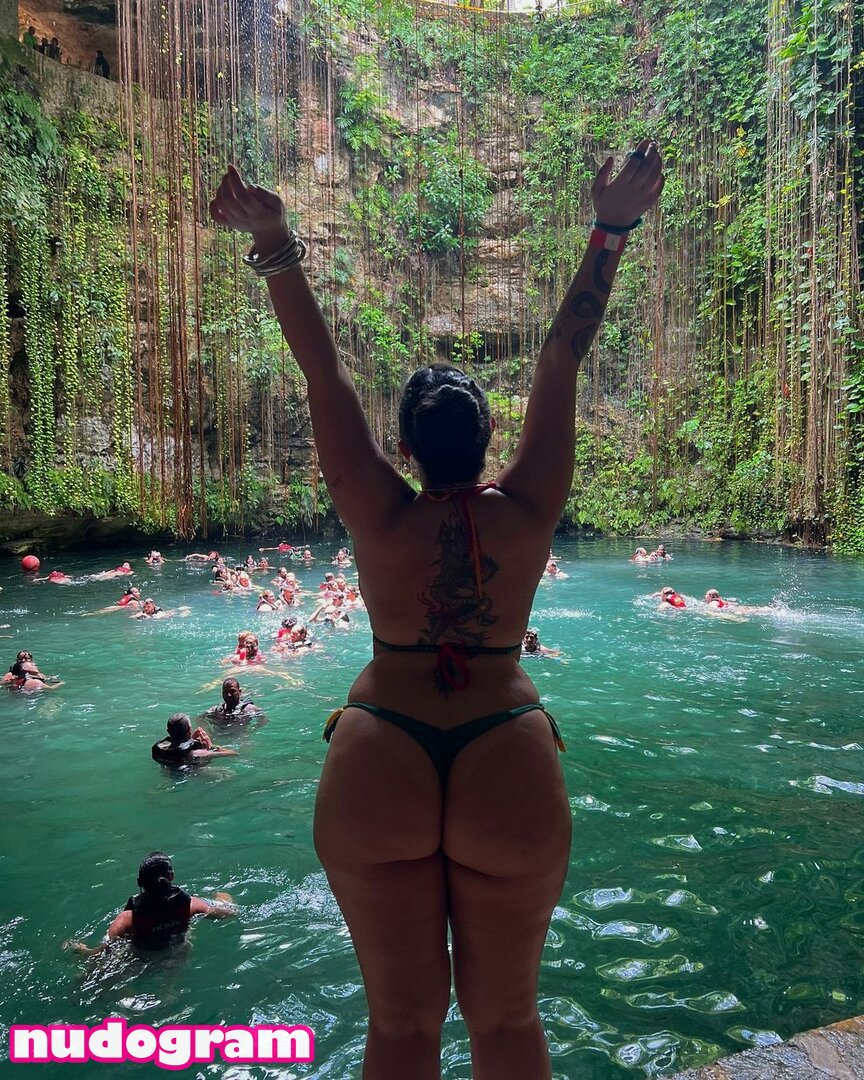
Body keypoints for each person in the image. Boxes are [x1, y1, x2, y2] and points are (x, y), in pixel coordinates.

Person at [210, 140, 663, 1078]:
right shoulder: (530, 507)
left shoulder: (378, 511)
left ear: (406, 451)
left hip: (383, 747)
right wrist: (611, 226)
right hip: (506, 746)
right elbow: (562, 354)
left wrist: (276, 243)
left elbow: (325, 377)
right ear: (492, 436)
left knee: (402, 1028)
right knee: (507, 1022)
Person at [66, 852, 235, 955]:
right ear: (171, 876)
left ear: (139, 882)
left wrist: (81, 949)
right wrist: (223, 898)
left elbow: (104, 952)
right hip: (176, 956)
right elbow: (229, 913)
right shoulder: (190, 905)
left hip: (139, 959)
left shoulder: (127, 919)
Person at [152, 713, 238, 766]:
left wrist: (192, 740)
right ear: (190, 730)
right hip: (190, 776)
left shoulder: (160, 749)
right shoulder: (195, 754)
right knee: (227, 774)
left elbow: (177, 749)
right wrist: (210, 746)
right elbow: (233, 753)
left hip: (169, 772)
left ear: (168, 731)